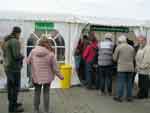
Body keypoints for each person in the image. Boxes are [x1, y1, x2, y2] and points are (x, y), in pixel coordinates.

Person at [26, 37, 64, 113]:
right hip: (47, 77)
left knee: (37, 92)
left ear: (39, 43)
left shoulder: (33, 51)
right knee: (46, 93)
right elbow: (55, 68)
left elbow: (27, 61)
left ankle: (36, 109)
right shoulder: (51, 54)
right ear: (48, 44)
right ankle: (46, 110)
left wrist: (34, 64)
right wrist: (61, 76)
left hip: (36, 76)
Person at [2, 26, 24, 112]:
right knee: (15, 88)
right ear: (17, 33)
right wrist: (22, 56)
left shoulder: (6, 40)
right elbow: (16, 55)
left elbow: (5, 54)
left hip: (8, 67)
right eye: (19, 33)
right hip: (14, 68)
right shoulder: (15, 41)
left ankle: (13, 104)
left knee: (11, 87)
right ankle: (12, 108)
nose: (19, 35)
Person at [113, 35, 135, 102]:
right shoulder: (131, 47)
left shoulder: (118, 47)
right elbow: (134, 58)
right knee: (129, 83)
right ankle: (129, 97)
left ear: (120, 41)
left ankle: (119, 97)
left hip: (121, 68)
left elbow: (114, 58)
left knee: (120, 82)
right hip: (130, 68)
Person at [135, 34, 150, 99]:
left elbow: (147, 59)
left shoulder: (147, 48)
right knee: (141, 82)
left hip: (144, 68)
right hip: (140, 68)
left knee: (144, 82)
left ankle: (142, 95)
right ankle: (143, 94)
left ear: (145, 40)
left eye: (141, 41)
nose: (139, 42)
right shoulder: (141, 47)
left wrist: (142, 66)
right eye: (139, 41)